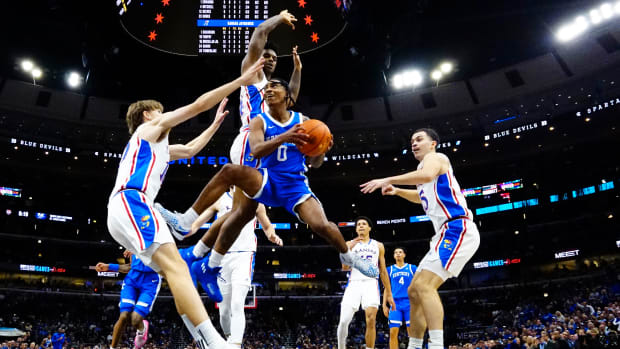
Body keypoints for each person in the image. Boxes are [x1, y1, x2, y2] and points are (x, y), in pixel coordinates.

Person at [157, 78, 379, 301]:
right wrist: (285, 136)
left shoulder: (305, 121)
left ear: (288, 95)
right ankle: (187, 222)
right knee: (229, 172)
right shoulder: (258, 121)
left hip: (295, 186)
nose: (269, 89)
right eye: (267, 87)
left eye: (275, 86)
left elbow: (314, 164)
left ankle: (349, 257)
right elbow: (256, 151)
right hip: (267, 180)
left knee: (321, 225)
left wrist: (321, 150)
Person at [105, 58, 264, 349]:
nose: (164, 115)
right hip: (132, 200)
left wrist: (215, 125)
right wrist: (240, 82)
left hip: (130, 208)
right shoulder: (147, 131)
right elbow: (197, 105)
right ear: (147, 115)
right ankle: (216, 343)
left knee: (177, 270)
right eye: (160, 112)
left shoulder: (158, 146)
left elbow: (190, 150)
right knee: (178, 268)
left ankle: (206, 341)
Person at [156, 9, 302, 265]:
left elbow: (292, 99)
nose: (270, 60)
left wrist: (297, 70)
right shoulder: (252, 72)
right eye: (266, 55)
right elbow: (259, 32)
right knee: (240, 205)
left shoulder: (273, 91)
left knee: (241, 212)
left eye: (274, 58)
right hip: (249, 140)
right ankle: (187, 222)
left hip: (262, 146)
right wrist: (279, 18)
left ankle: (200, 256)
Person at [360, 128, 481, 349]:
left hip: (457, 227)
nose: (414, 143)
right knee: (413, 290)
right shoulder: (422, 170)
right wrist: (397, 191)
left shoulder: (437, 158)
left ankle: (436, 345)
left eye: (419, 139)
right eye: (412, 141)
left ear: (433, 143)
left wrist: (387, 178)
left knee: (424, 286)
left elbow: (426, 176)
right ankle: (415, 345)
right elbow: (422, 197)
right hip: (443, 233)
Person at [187, 189, 282, 347]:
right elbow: (196, 224)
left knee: (238, 303)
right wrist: (183, 230)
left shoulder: (256, 200)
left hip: (244, 255)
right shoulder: (219, 199)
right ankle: (229, 339)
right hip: (222, 257)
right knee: (224, 311)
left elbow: (266, 226)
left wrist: (272, 234)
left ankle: (236, 344)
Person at [337, 217, 395, 349]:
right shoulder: (349, 243)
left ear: (369, 228)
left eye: (364, 224)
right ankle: (340, 346)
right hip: (354, 283)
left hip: (371, 284)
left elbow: (383, 271)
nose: (361, 226)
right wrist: (347, 250)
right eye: (358, 225)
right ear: (356, 229)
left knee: (371, 319)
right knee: (344, 321)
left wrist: (389, 293)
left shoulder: (378, 246)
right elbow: (344, 268)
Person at [95, 251, 161, 349]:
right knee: (124, 316)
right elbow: (130, 266)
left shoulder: (158, 240)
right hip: (132, 280)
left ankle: (142, 329)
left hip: (150, 281)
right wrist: (109, 266)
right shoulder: (132, 242)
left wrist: (142, 249)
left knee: (135, 319)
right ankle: (112, 347)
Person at [385, 248, 418, 349]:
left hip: (410, 303)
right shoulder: (389, 270)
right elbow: (387, 288)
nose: (398, 254)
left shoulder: (412, 268)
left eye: (400, 252)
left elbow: (418, 286)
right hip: (395, 304)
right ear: (394, 256)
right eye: (395, 252)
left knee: (412, 333)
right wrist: (383, 305)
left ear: (404, 255)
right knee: (393, 333)